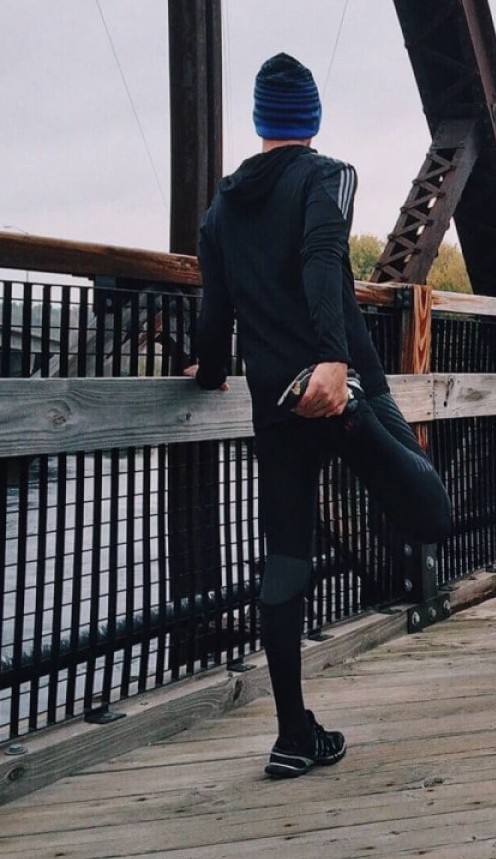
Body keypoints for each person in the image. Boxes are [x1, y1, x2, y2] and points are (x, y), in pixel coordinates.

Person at [186, 53, 452, 779]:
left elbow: (215, 316)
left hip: (275, 407)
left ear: (258, 120)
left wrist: (206, 372)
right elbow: (320, 254)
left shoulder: (218, 212)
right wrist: (337, 367)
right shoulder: (328, 177)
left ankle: (292, 733)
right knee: (431, 513)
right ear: (311, 117)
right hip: (341, 390)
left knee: (286, 560)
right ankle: (356, 421)